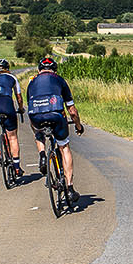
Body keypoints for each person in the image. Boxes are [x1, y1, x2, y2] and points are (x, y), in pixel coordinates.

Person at [25, 55, 85, 203]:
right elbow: (72, 111)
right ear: (55, 71)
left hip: (36, 116)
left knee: (37, 129)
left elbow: (29, 106)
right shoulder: (60, 80)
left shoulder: (32, 83)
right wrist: (78, 126)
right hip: (56, 115)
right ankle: (70, 188)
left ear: (39, 70)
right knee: (64, 147)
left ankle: (42, 155)